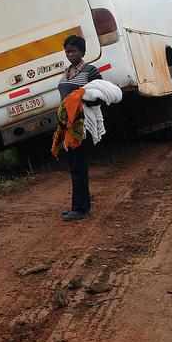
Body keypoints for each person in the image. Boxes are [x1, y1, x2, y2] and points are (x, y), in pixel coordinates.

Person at [57, 34, 103, 222]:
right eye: (67, 51)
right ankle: (76, 207)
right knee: (74, 166)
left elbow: (100, 96)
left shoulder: (90, 72)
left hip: (82, 126)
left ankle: (82, 209)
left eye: (74, 51)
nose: (70, 54)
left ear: (82, 51)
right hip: (69, 126)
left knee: (80, 167)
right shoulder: (67, 72)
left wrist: (80, 100)